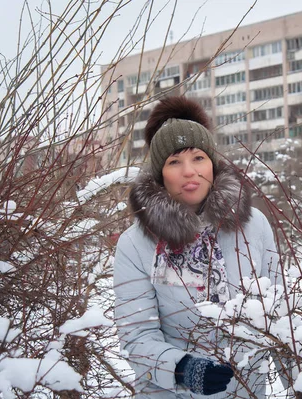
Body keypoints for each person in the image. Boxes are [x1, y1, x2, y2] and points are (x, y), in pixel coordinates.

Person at [113, 96, 280, 398]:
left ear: (213, 164)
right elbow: (137, 335)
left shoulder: (254, 226)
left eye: (198, 158)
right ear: (160, 174)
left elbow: (281, 315)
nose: (189, 171)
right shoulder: (135, 244)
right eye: (174, 162)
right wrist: (181, 368)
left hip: (247, 391)